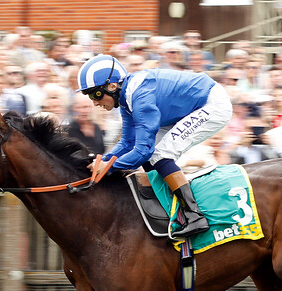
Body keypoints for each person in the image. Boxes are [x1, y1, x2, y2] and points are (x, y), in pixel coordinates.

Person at [75, 54, 233, 238]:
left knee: (160, 153)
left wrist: (109, 166)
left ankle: (194, 215)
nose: (94, 102)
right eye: (90, 96)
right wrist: (103, 161)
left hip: (212, 104)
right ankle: (168, 207)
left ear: (112, 86)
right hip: (190, 107)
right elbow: (127, 142)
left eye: (96, 94)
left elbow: (143, 150)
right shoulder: (126, 97)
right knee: (154, 154)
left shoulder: (139, 98)